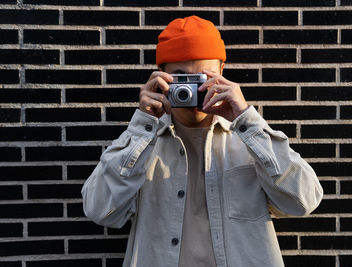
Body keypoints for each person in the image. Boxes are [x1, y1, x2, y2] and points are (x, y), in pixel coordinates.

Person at [81, 15, 323, 267]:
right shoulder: (142, 144)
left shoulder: (250, 141)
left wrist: (246, 119)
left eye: (202, 78)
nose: (193, 90)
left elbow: (303, 201)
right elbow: (100, 210)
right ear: (160, 77)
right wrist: (142, 125)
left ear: (222, 73)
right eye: (180, 77)